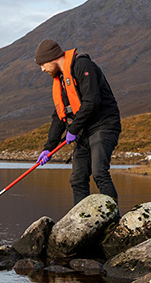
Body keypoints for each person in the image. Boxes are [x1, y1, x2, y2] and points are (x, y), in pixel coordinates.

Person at [34, 39, 121, 205]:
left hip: (104, 126)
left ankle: (113, 221)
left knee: (99, 173)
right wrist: (48, 148)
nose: (42, 69)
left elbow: (92, 101)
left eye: (43, 64)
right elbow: (59, 116)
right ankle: (81, 222)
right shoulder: (60, 80)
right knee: (77, 179)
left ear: (52, 58)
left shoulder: (82, 65)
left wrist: (73, 130)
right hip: (83, 131)